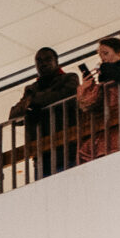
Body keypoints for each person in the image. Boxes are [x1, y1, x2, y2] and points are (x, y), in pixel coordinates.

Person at [8, 47, 80, 179]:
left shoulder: (70, 78)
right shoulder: (31, 88)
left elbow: (67, 95)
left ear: (56, 62)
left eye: (48, 59)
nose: (43, 63)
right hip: (41, 154)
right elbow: (13, 116)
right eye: (39, 60)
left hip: (67, 147)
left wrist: (33, 102)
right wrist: (34, 102)